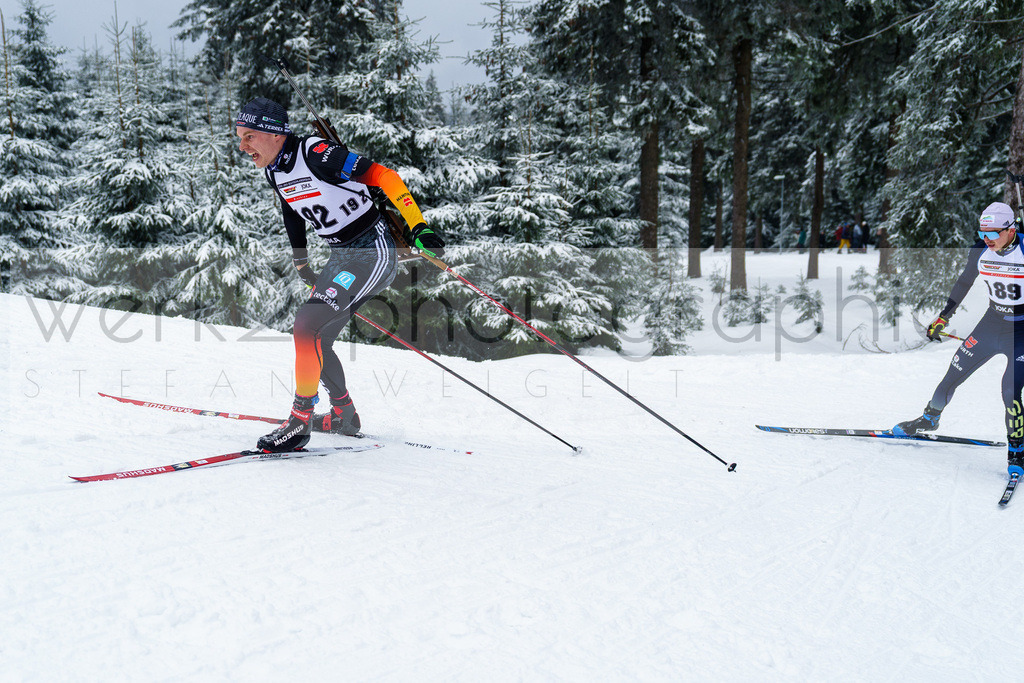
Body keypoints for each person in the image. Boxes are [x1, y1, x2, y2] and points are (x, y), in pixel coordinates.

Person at [235, 97, 445, 453]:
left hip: (372, 251)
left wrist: (418, 226)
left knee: (306, 325)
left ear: (274, 134)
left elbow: (385, 176)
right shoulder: (274, 169)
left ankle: (300, 421)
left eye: (249, 136)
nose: (242, 146)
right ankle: (344, 415)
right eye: (239, 137)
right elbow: (292, 210)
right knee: (317, 338)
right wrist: (302, 262)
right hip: (341, 255)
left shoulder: (316, 153)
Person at [892, 201, 1024, 478]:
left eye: (992, 233)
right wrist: (943, 317)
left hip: (1022, 331)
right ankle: (929, 419)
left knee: (1010, 391)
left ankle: (1017, 449)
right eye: (982, 233)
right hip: (992, 323)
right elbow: (964, 282)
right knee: (953, 373)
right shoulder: (980, 251)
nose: (986, 239)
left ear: (1011, 230)